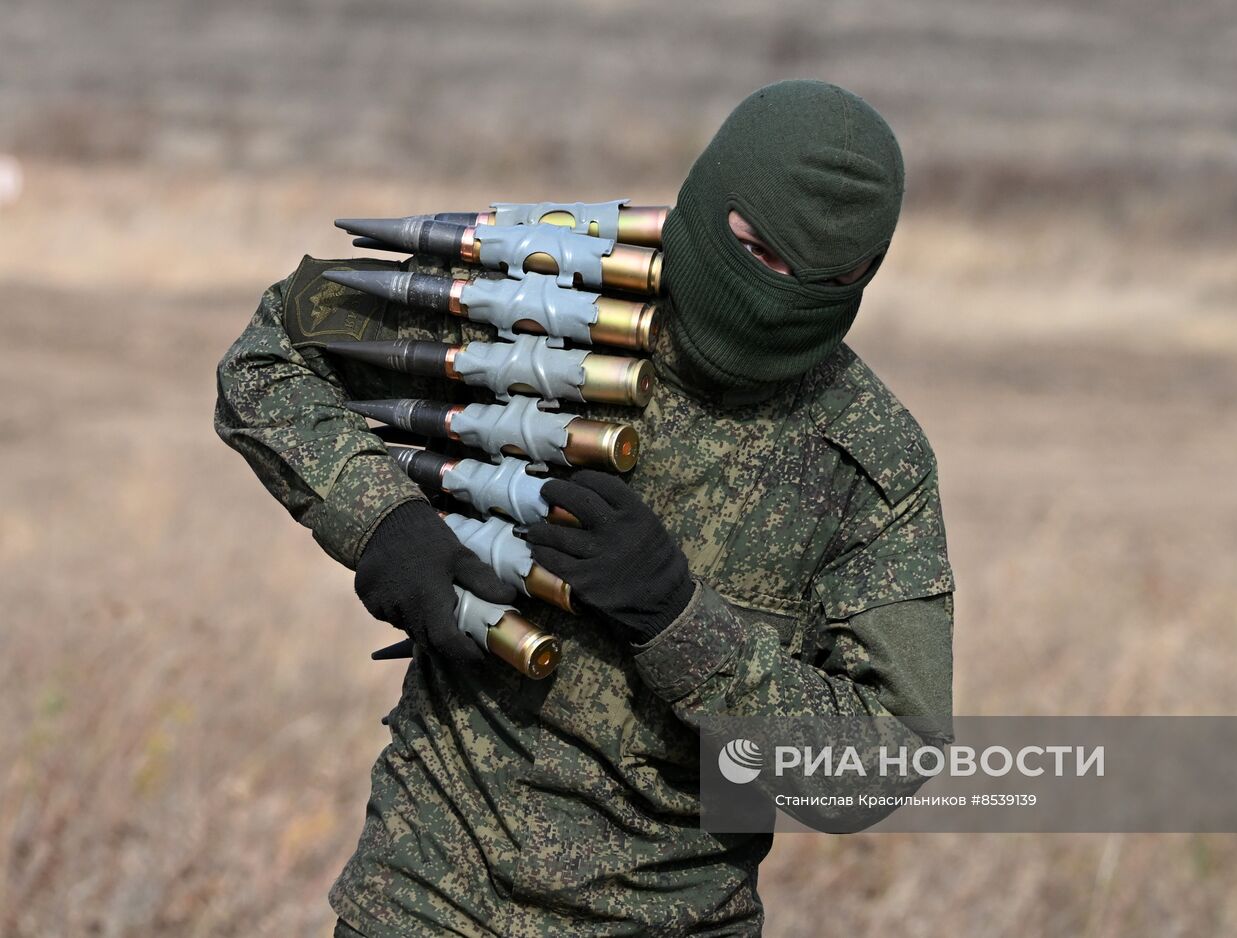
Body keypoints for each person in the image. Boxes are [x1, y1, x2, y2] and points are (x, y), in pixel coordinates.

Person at [215, 79, 954, 937]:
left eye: (828, 277)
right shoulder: (548, 301)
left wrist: (679, 624)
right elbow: (269, 357)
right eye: (758, 251)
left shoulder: (867, 461)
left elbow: (885, 764)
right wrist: (384, 522)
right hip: (427, 901)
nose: (780, 294)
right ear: (710, 206)